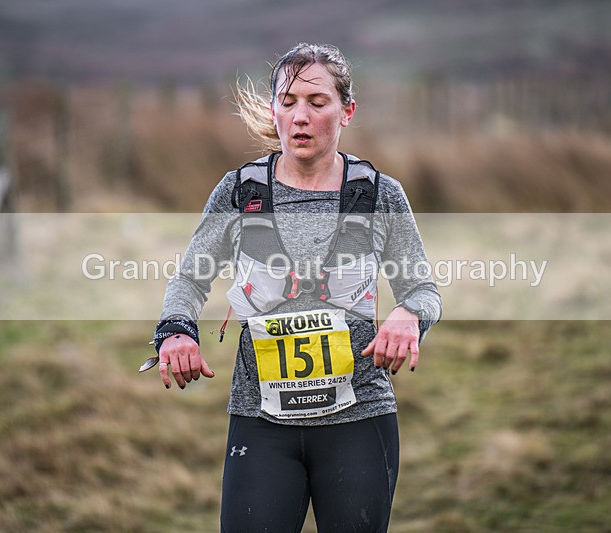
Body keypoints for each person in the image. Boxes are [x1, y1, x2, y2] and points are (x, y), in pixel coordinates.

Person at [148, 43, 442, 532]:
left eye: (317, 101)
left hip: (359, 418)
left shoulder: (378, 194)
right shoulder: (241, 192)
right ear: (273, 111)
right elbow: (190, 279)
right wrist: (175, 331)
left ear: (346, 111)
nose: (300, 116)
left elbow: (423, 290)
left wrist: (409, 315)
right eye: (288, 102)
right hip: (261, 423)